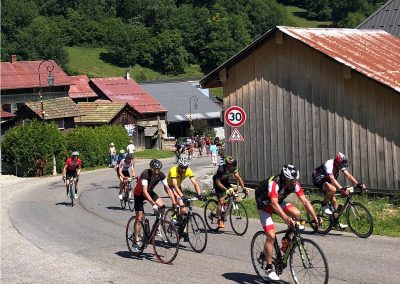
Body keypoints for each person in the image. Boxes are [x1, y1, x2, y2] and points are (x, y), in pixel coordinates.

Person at [255, 164, 321, 281]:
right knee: (271, 235)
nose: (295, 182)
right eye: (292, 180)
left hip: (277, 201)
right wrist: (286, 218)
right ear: (285, 178)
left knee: (297, 214)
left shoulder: (293, 184)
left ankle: (286, 240)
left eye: (296, 180)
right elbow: (274, 204)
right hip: (264, 205)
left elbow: (305, 201)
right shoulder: (274, 184)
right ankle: (269, 267)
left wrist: (315, 217)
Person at [312, 152, 366, 228]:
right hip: (318, 179)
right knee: (333, 189)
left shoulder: (339, 165)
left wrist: (358, 184)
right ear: (337, 162)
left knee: (334, 201)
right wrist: (341, 189)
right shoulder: (329, 164)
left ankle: (335, 222)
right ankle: (324, 205)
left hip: (326, 180)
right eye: (341, 165)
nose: (342, 166)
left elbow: (348, 175)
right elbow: (332, 178)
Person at [132, 159, 176, 252]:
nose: (157, 172)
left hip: (150, 192)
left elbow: (167, 188)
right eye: (155, 170)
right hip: (139, 194)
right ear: (151, 169)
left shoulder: (160, 175)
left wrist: (173, 202)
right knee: (139, 217)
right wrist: (153, 204)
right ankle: (136, 240)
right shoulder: (145, 174)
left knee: (162, 207)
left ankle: (157, 228)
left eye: (158, 170)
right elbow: (144, 191)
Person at [212, 156, 246, 228]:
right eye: (232, 166)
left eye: (234, 166)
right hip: (217, 182)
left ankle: (225, 208)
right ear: (228, 165)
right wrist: (225, 190)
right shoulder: (221, 169)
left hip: (225, 182)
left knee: (233, 194)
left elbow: (238, 178)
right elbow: (218, 182)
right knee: (221, 201)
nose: (234, 168)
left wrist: (244, 188)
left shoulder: (232, 168)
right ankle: (219, 218)